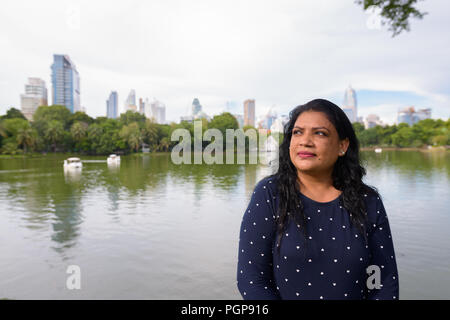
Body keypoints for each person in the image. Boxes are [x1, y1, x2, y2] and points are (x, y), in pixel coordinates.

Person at [236, 99, 399, 300]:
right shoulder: (270, 194)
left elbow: (384, 279)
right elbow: (251, 280)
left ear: (342, 145)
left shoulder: (368, 201)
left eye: (319, 133)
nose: (305, 141)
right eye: (297, 132)